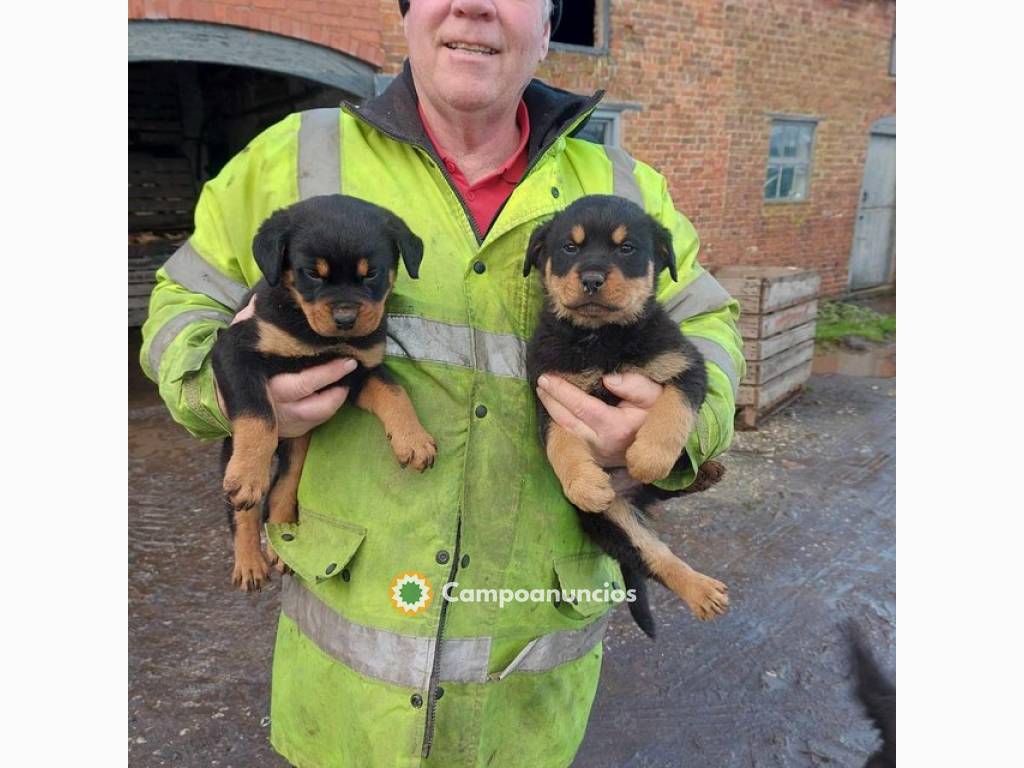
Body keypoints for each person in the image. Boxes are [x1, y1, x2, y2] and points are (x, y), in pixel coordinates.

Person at [140, 1, 744, 765]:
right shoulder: (293, 158)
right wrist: (224, 393)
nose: (474, 5)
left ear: (548, 24)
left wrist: (673, 425)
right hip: (347, 706)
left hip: (525, 699)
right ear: (406, 13)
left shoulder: (621, 184)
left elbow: (713, 330)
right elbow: (180, 304)